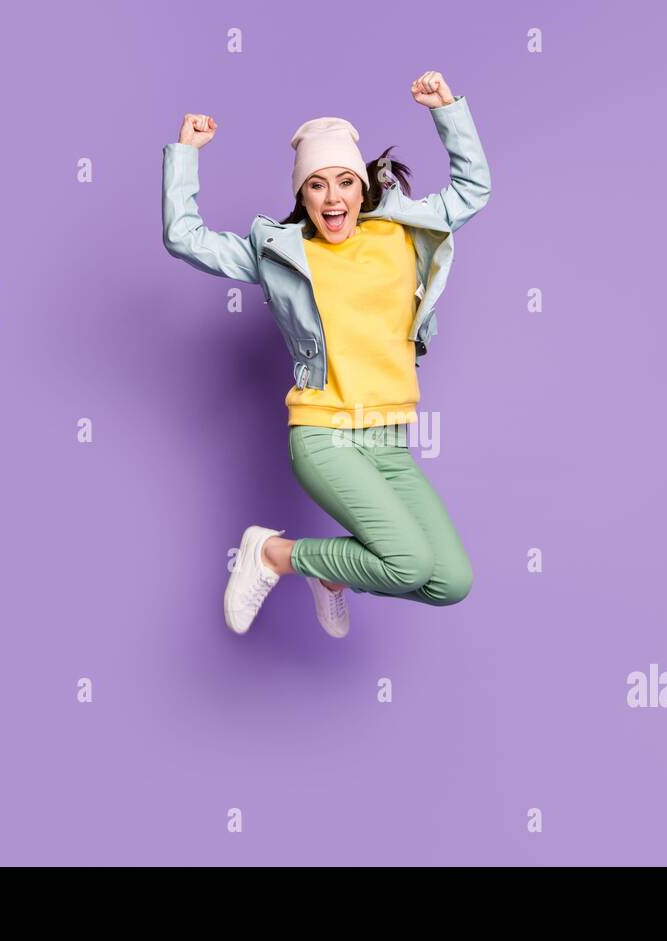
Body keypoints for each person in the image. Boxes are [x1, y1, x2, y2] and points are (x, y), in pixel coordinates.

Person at [162, 70, 491, 638]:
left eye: (344, 181)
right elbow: (185, 237)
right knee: (409, 562)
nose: (332, 197)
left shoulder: (398, 235)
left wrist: (447, 111)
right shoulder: (281, 254)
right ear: (302, 195)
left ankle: (331, 576)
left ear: (362, 187)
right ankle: (271, 554)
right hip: (323, 436)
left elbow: (471, 192)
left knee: (450, 581)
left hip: (389, 439)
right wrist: (185, 154)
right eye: (317, 184)